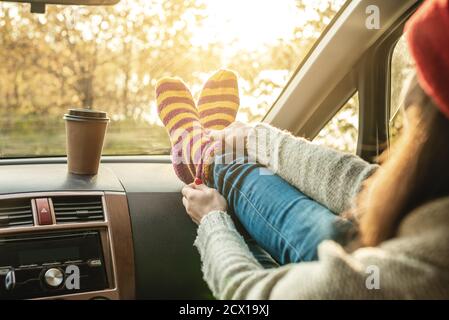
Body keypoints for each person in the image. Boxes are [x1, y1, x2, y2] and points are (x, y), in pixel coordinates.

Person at [156, 0, 449, 299]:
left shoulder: (408, 279)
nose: (409, 86)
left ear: (422, 106)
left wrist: (212, 220)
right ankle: (208, 154)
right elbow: (365, 184)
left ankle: (202, 154)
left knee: (330, 244)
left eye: (416, 66)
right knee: (332, 234)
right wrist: (254, 137)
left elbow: (252, 297)